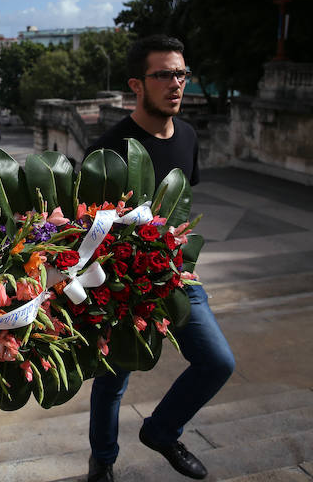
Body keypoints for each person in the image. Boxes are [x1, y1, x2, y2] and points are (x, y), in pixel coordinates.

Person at [84, 35, 235, 481]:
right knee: (112, 382)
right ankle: (102, 462)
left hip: (177, 277)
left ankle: (162, 432)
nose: (177, 83)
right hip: (123, 287)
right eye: (164, 74)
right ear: (137, 84)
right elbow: (84, 228)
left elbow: (181, 208)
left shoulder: (187, 135)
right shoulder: (109, 149)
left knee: (218, 362)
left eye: (182, 73)